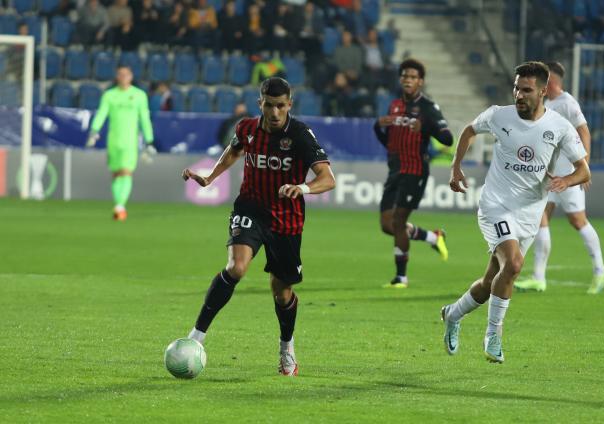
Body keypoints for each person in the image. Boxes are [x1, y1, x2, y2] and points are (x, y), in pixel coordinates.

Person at [181, 77, 335, 376]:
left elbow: (328, 179)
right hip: (250, 207)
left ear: (289, 105)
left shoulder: (301, 134)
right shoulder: (247, 128)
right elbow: (235, 150)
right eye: (269, 105)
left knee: (282, 292)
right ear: (260, 103)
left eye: (280, 106)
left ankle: (286, 346)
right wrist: (211, 176)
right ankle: (196, 338)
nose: (275, 112)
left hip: (286, 219)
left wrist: (301, 188)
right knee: (236, 268)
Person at [440, 61, 590, 363]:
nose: (519, 95)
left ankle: (452, 315)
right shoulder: (499, 115)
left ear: (543, 92)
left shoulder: (559, 126)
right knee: (516, 263)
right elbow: (469, 131)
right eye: (516, 88)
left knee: (491, 281)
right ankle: (493, 335)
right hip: (495, 204)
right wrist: (456, 167)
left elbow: (584, 171)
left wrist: (566, 180)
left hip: (529, 213)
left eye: (526, 90)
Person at [515, 62, 604, 294]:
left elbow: (584, 130)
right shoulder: (548, 103)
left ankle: (600, 269)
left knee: (577, 221)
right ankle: (538, 277)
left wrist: (583, 166)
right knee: (540, 219)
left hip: (568, 174)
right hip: (550, 174)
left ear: (552, 81)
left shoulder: (568, 103)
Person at [373, 59, 453, 288]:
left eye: (413, 77)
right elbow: (388, 141)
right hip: (395, 170)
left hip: (415, 171)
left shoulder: (428, 107)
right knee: (386, 224)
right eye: (405, 76)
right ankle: (432, 237)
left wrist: (426, 127)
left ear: (420, 82)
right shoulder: (395, 105)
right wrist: (378, 126)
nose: (408, 80)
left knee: (398, 221)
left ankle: (401, 277)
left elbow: (447, 138)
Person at [86, 66, 155, 221]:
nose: (123, 77)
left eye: (126, 74)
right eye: (120, 74)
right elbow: (102, 113)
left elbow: (144, 118)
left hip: (130, 141)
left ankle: (120, 206)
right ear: (117, 77)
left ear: (131, 77)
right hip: (113, 141)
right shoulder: (109, 95)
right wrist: (94, 130)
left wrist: (149, 140)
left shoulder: (139, 95)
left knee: (126, 172)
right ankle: (119, 205)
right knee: (116, 174)